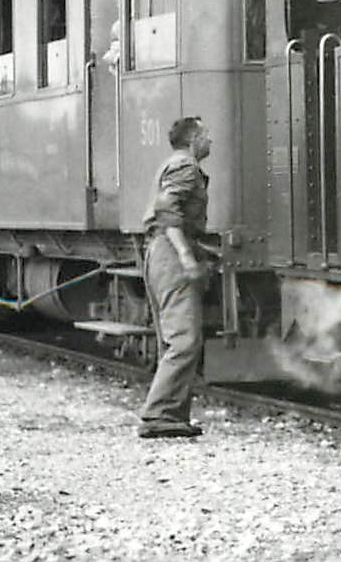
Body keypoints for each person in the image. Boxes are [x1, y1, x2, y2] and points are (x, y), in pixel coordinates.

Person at [137, 116, 212, 438]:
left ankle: (172, 414)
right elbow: (168, 210)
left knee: (180, 336)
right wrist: (185, 255)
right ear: (193, 138)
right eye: (206, 135)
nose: (211, 141)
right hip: (170, 252)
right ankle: (159, 414)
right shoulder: (185, 166)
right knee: (184, 338)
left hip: (162, 250)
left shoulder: (177, 163)